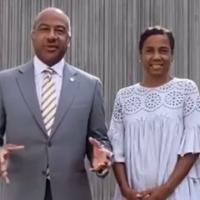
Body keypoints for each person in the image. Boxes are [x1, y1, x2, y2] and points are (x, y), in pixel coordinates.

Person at [0, 7, 112, 200]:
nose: (52, 36)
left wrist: (100, 157)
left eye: (59, 31)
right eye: (44, 29)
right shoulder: (5, 82)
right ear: (33, 36)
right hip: (20, 192)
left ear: (69, 39)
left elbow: (99, 139)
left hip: (72, 193)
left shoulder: (90, 85)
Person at [108, 26, 200, 200]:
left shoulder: (187, 90)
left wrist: (166, 190)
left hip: (177, 192)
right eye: (149, 51)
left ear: (172, 56)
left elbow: (192, 149)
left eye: (163, 51)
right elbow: (116, 150)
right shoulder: (124, 96)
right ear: (140, 56)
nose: (156, 57)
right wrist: (126, 191)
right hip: (133, 196)